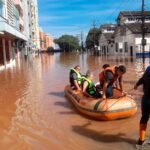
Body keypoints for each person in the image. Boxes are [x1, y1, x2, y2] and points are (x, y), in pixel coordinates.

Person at [134, 65, 150, 146]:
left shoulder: (148, 69)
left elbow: (142, 79)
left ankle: (141, 140)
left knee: (144, 118)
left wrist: (136, 85)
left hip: (146, 99)